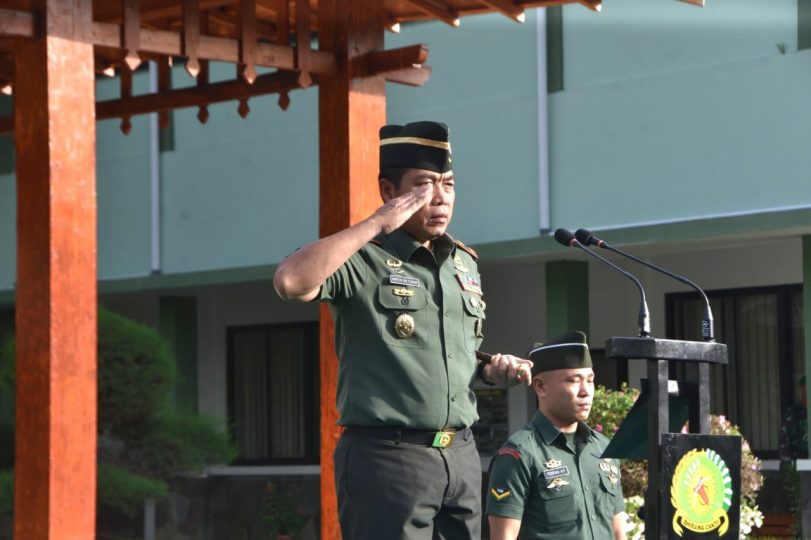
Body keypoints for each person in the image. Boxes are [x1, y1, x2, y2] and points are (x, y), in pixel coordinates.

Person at [273, 120, 534, 539]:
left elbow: (457, 354)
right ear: (389, 190)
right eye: (424, 185)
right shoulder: (363, 260)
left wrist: (491, 370)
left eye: (448, 184)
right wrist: (377, 223)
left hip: (462, 455)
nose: (440, 197)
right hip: (388, 458)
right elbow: (290, 282)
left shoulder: (463, 263)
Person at [486, 331, 627, 540]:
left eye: (590, 380)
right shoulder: (519, 455)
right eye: (573, 381)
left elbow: (618, 532)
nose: (585, 391)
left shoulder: (604, 449)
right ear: (541, 387)